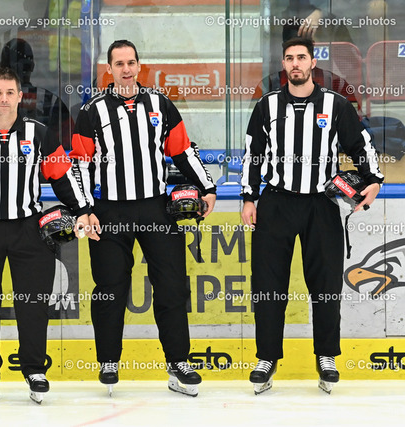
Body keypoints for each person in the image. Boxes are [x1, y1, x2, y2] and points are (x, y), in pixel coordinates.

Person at [69, 40, 217, 396]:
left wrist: (207, 186)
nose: (126, 68)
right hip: (111, 211)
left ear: (139, 66)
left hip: (155, 207)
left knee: (171, 286)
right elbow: (79, 165)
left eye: (131, 62)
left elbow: (182, 150)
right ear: (109, 68)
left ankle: (178, 364)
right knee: (109, 290)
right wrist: (85, 209)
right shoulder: (91, 111)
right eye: (119, 63)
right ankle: (108, 361)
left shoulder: (160, 104)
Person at [241, 37, 383, 394]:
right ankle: (267, 357)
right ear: (284, 64)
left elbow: (360, 146)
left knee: (326, 287)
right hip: (275, 203)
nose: (295, 64)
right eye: (289, 58)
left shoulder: (336, 105)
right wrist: (248, 197)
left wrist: (375, 181)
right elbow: (251, 154)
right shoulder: (267, 106)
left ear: (312, 62)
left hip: (321, 206)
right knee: (269, 287)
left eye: (301, 58)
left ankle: (326, 357)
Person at [0, 67, 90, 404]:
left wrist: (83, 210)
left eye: (10, 92)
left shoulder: (39, 134)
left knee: (33, 303)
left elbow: (63, 176)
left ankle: (34, 370)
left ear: (20, 96)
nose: (4, 99)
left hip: (29, 230)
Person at [0, 38, 74, 150]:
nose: (4, 99)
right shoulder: (52, 102)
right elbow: (68, 148)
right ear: (33, 66)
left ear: (1, 67)